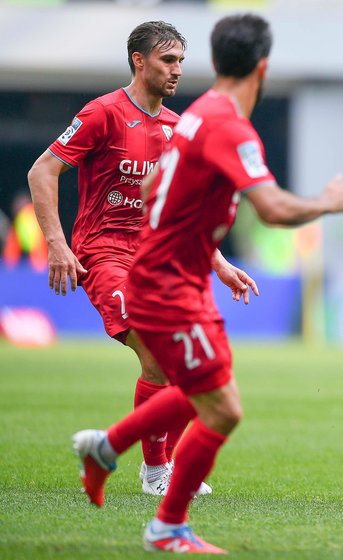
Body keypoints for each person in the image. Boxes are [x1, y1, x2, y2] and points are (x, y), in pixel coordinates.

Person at [71, 13, 343, 553]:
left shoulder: (195, 116)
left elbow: (158, 185)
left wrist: (211, 256)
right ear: (263, 67)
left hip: (175, 273)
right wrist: (329, 202)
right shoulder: (227, 125)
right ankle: (167, 524)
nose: (176, 69)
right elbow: (271, 209)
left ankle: (106, 449)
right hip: (166, 282)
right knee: (221, 407)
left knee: (200, 388)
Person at [27, 21, 228, 496]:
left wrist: (218, 263)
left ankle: (154, 464)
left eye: (181, 60)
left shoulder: (179, 129)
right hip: (105, 255)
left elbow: (185, 208)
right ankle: (157, 471)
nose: (177, 70)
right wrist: (57, 243)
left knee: (193, 366)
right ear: (139, 61)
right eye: (168, 60)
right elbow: (43, 171)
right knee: (158, 354)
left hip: (161, 261)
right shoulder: (103, 114)